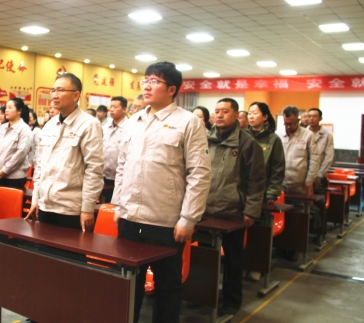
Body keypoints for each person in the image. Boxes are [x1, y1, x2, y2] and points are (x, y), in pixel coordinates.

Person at [112, 62, 211, 323]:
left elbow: (199, 174)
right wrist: (119, 206)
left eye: (154, 81)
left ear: (171, 89)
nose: (146, 85)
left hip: (165, 223)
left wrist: (188, 219)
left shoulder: (188, 123)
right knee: (128, 285)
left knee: (167, 288)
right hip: (130, 220)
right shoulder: (134, 122)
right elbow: (122, 166)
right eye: (145, 80)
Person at [206, 98, 265, 317]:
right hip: (204, 210)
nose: (219, 115)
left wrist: (251, 210)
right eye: (217, 111)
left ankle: (232, 301)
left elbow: (256, 180)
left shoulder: (247, 143)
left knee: (233, 259)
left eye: (225, 111)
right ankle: (203, 296)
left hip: (232, 212)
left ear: (236, 115)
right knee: (204, 256)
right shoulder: (205, 138)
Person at [26, 72, 104, 232]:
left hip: (71, 208)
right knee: (42, 247)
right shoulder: (49, 125)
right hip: (45, 205)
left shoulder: (89, 124)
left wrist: (87, 208)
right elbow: (40, 165)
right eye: (53, 90)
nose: (54, 95)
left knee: (69, 248)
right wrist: (35, 199)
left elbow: (94, 169)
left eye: (60, 90)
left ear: (76, 95)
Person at [245, 101, 285, 281]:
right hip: (242, 193)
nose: (251, 116)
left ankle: (256, 267)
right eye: (249, 113)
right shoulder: (242, 136)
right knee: (241, 232)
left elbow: (278, 168)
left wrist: (272, 192)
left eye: (255, 113)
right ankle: (242, 265)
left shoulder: (273, 139)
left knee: (258, 232)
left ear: (265, 116)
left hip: (261, 194)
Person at [278, 106, 320, 197]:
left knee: (299, 205)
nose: (288, 127)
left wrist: (310, 180)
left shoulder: (308, 135)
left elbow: (315, 159)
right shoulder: (278, 134)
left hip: (300, 184)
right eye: (286, 123)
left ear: (298, 120)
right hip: (280, 182)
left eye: (292, 124)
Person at [0, 98, 32, 190]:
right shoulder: (2, 128)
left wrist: (4, 171)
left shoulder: (24, 129)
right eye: (6, 108)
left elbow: (21, 153)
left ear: (19, 111)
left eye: (10, 108)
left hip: (14, 178)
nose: (6, 110)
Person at [102, 96, 127, 203]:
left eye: (115, 107)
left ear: (124, 109)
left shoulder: (130, 127)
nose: (111, 109)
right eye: (111, 107)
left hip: (121, 176)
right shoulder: (105, 127)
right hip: (103, 175)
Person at [308, 108, 334, 187]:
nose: (311, 118)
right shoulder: (302, 134)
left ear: (320, 118)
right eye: (309, 116)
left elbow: (328, 157)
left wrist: (320, 175)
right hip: (303, 176)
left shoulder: (327, 136)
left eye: (314, 116)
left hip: (319, 176)